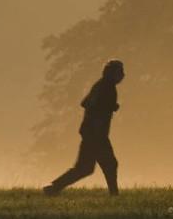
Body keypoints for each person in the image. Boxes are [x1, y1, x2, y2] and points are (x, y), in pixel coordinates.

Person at [43, 59, 124, 196]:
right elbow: (91, 104)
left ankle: (53, 188)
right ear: (112, 73)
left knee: (84, 168)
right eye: (120, 72)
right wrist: (110, 107)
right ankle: (114, 195)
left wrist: (109, 107)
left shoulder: (102, 85)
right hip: (96, 134)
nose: (123, 75)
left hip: (90, 132)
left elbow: (85, 103)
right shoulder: (107, 87)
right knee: (109, 164)